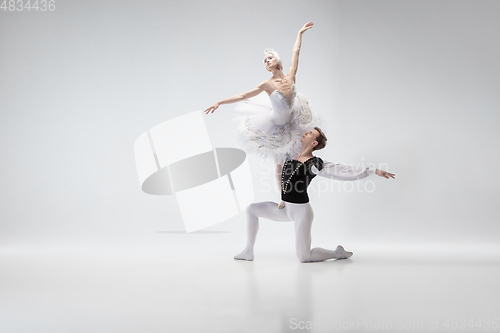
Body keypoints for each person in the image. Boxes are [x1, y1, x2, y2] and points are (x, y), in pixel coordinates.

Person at [234, 127, 396, 262]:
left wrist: (373, 171)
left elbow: (343, 171)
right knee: (252, 209)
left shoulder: (315, 164)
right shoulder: (288, 155)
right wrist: (282, 196)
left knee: (304, 257)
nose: (305, 132)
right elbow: (278, 171)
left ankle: (337, 253)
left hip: (301, 212)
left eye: (310, 133)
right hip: (284, 208)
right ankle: (248, 252)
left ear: (314, 143)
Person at [204, 22, 321, 163]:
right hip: (274, 123)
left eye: (269, 58)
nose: (267, 61)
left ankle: (297, 179)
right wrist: (219, 102)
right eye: (265, 61)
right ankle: (282, 185)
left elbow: (296, 52)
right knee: (279, 162)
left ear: (277, 60)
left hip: (291, 118)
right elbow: (242, 96)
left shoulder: (291, 76)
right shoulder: (267, 84)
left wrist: (299, 33)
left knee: (296, 154)